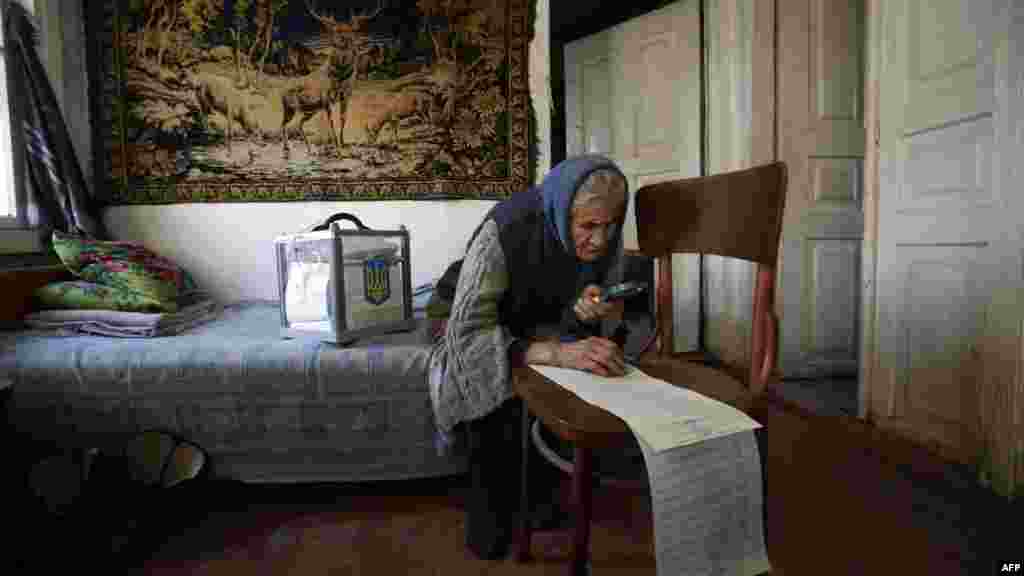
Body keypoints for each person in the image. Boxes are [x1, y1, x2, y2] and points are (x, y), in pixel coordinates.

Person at [427, 154, 635, 559]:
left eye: (610, 226)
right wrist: (553, 351)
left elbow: (590, 301)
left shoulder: (605, 234)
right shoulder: (505, 230)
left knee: (566, 384)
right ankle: (491, 523)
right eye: (589, 226)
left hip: (532, 320)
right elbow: (467, 331)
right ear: (562, 211)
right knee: (495, 394)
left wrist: (587, 307)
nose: (601, 240)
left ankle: (541, 504)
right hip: (465, 317)